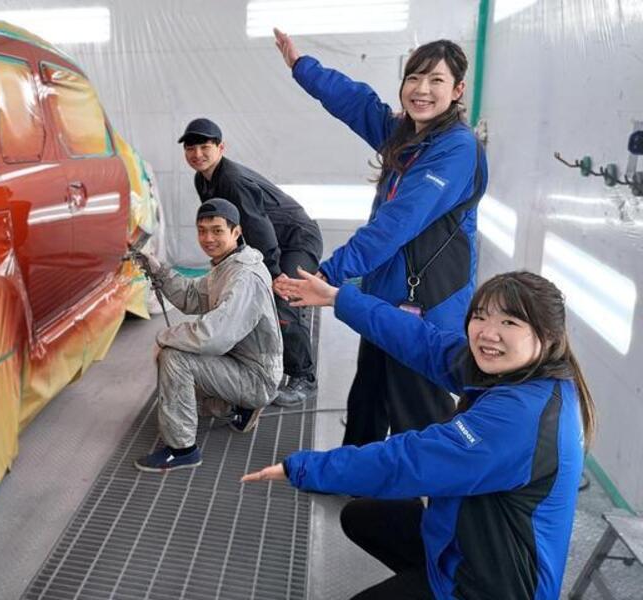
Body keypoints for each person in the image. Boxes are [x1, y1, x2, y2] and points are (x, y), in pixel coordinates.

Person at [243, 269, 596, 599]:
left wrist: (303, 468)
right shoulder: (524, 373)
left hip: (495, 585)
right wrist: (338, 297)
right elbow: (424, 342)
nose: (488, 333)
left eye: (510, 322)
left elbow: (407, 462)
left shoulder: (521, 417)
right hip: (474, 537)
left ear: (548, 336)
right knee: (362, 516)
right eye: (481, 316)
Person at [273, 30, 489, 445]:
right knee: (368, 400)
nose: (421, 90)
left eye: (436, 80)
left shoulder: (456, 149)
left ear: (458, 90)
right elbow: (358, 103)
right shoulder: (409, 136)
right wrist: (303, 67)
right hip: (386, 297)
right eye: (414, 78)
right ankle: (355, 469)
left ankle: (413, 486)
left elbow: (396, 223)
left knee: (417, 414)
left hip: (426, 305)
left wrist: (330, 273)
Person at [178, 117, 323, 406]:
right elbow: (226, 225)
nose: (197, 154)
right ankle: (261, 363)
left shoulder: (232, 180)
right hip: (271, 241)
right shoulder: (202, 179)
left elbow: (259, 228)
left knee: (283, 301)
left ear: (221, 148)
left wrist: (274, 274)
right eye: (191, 148)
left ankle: (303, 378)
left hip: (295, 238)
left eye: (205, 147)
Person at [134, 198, 283, 472]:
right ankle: (239, 408)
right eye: (202, 231)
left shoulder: (244, 276)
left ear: (236, 232)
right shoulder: (228, 264)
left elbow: (214, 336)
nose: (208, 238)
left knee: (174, 358)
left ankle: (182, 450)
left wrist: (166, 336)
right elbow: (193, 296)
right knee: (182, 367)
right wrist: (159, 271)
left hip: (256, 378)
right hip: (242, 363)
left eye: (217, 231)